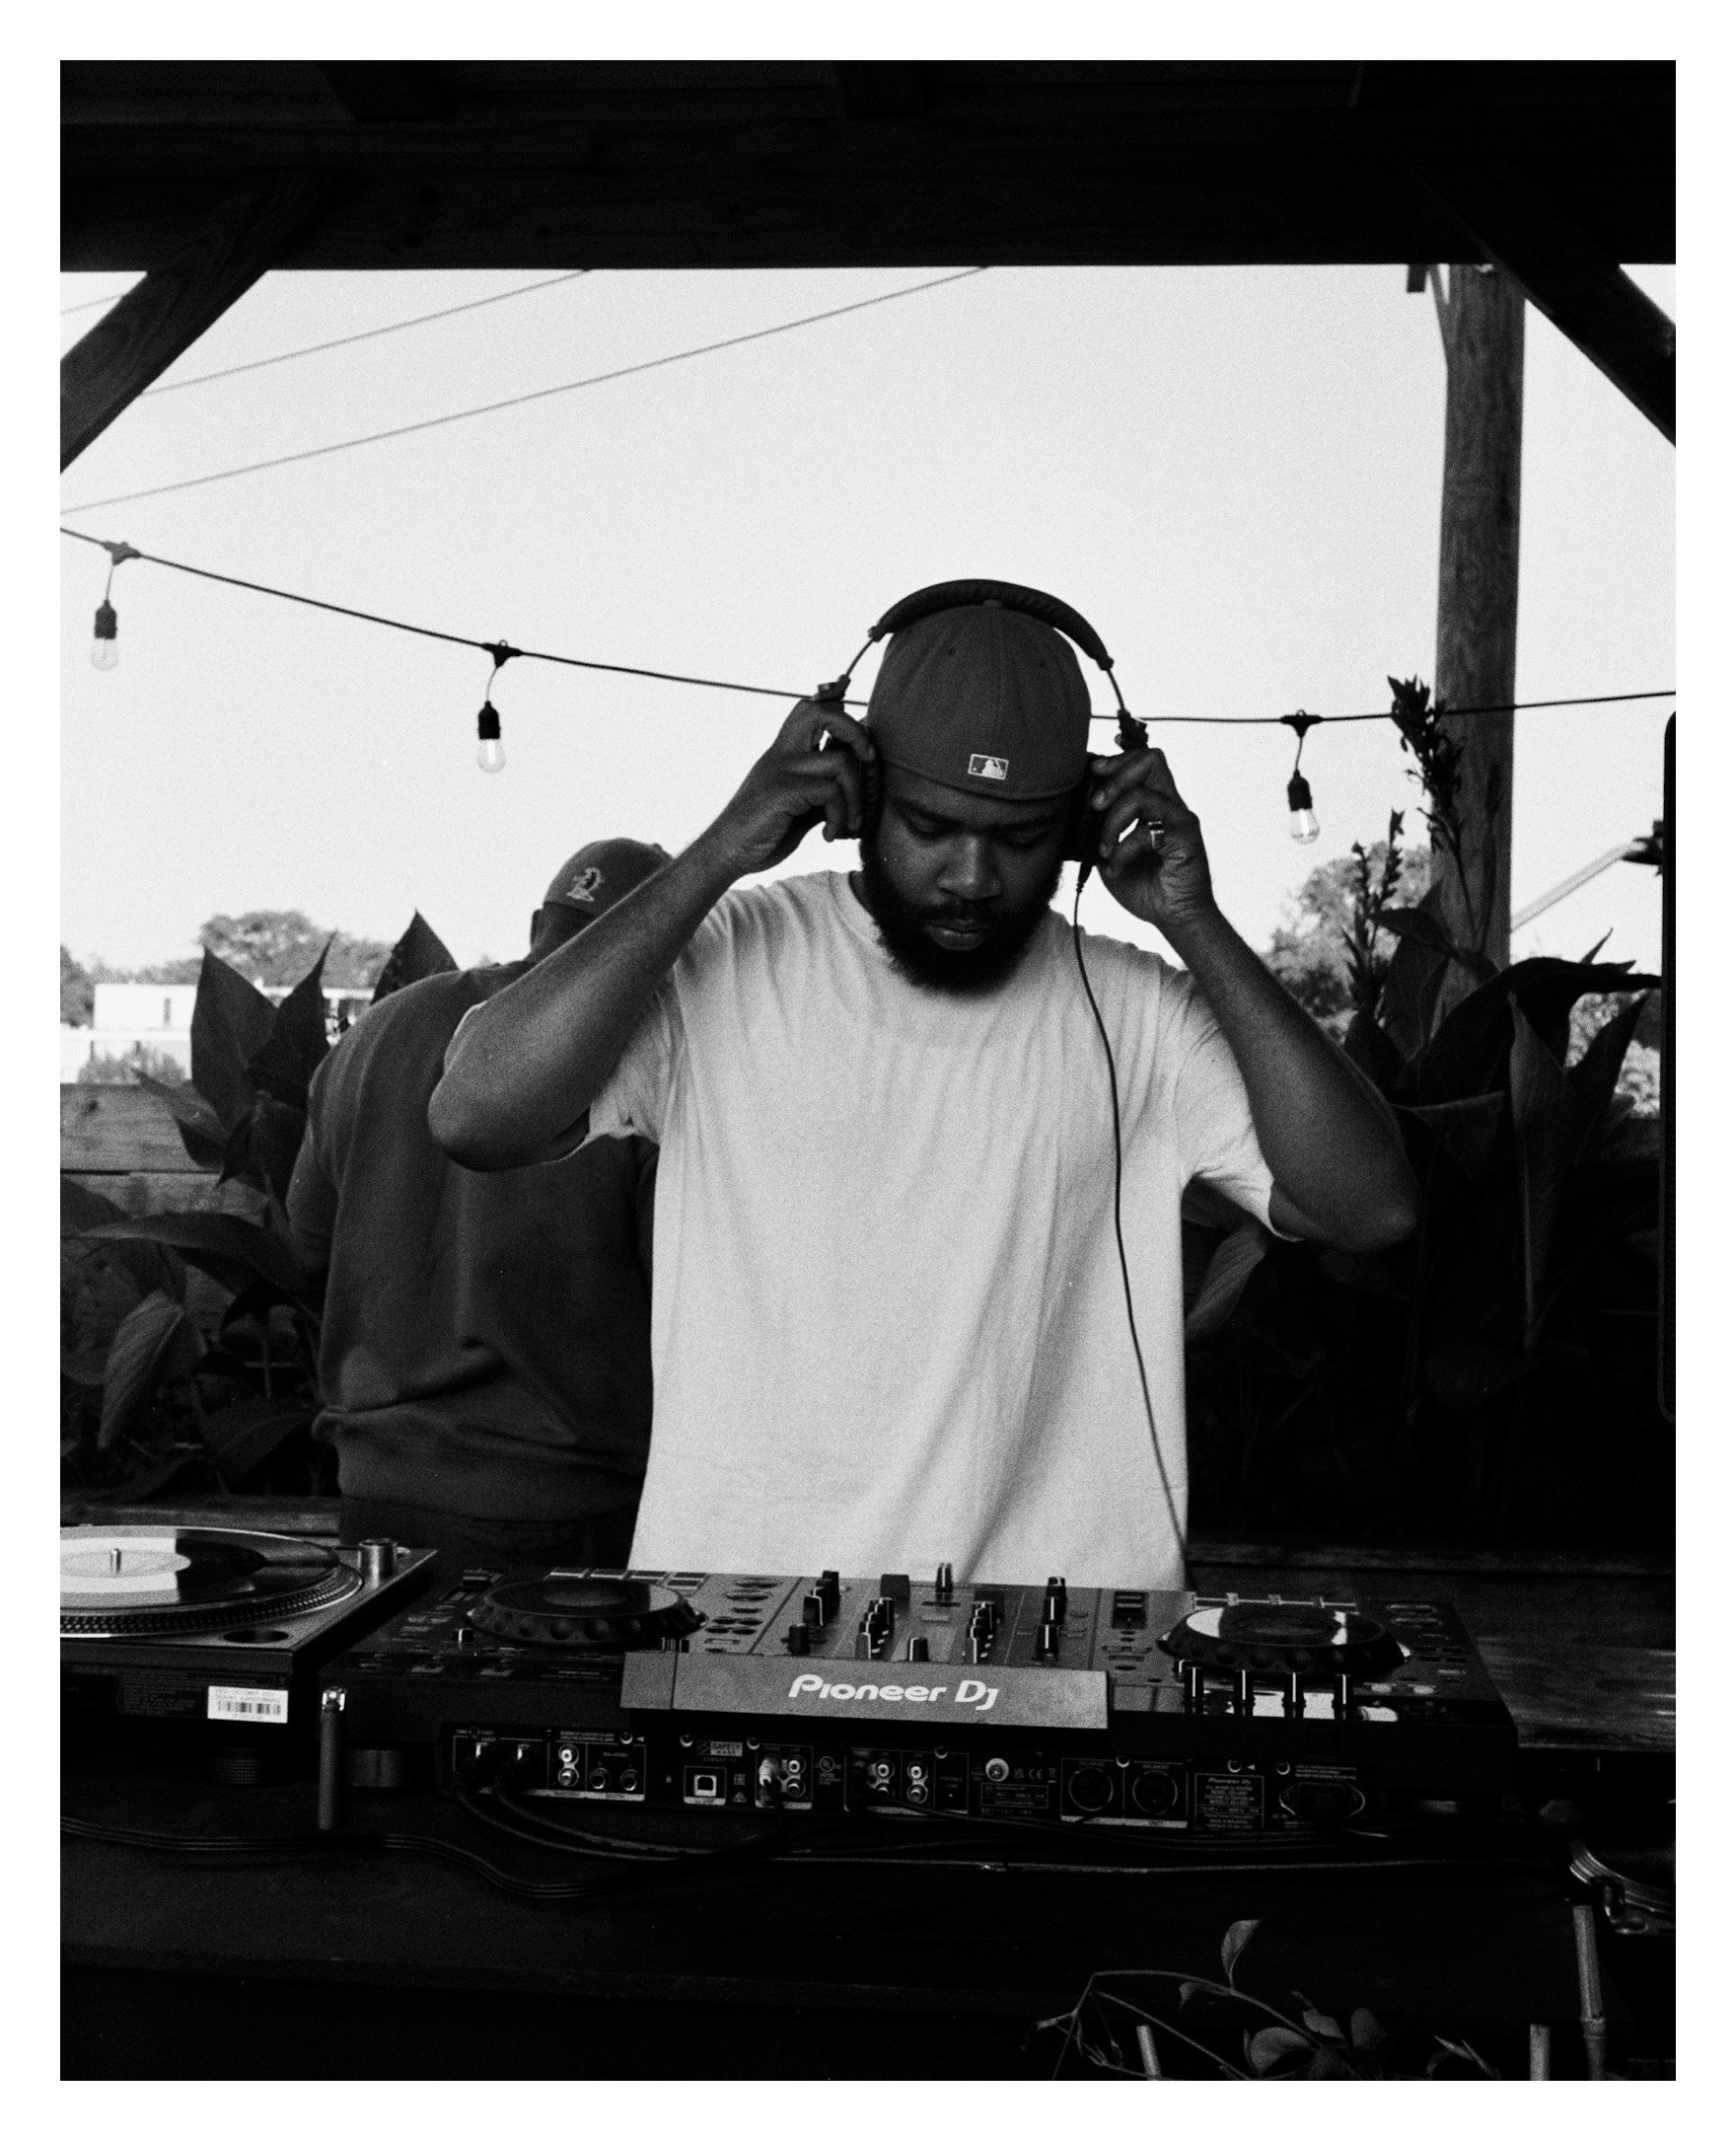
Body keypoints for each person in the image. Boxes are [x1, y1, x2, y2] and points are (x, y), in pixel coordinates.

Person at [429, 602, 1418, 1587]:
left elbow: (1367, 1205)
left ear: (1081, 824)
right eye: (930, 825)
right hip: (731, 1625)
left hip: (1053, 1653)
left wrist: (1191, 920)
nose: (972, 875)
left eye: (1021, 836)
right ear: (856, 794)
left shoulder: (1140, 1014)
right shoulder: (724, 962)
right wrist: (723, 846)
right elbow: (474, 1112)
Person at [287, 838, 670, 1572]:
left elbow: (306, 1247)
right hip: (564, 1506)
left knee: (382, 1689)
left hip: (376, 1499)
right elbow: (683, 1293)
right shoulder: (646, 1057)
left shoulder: (378, 1030)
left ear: (537, 924)